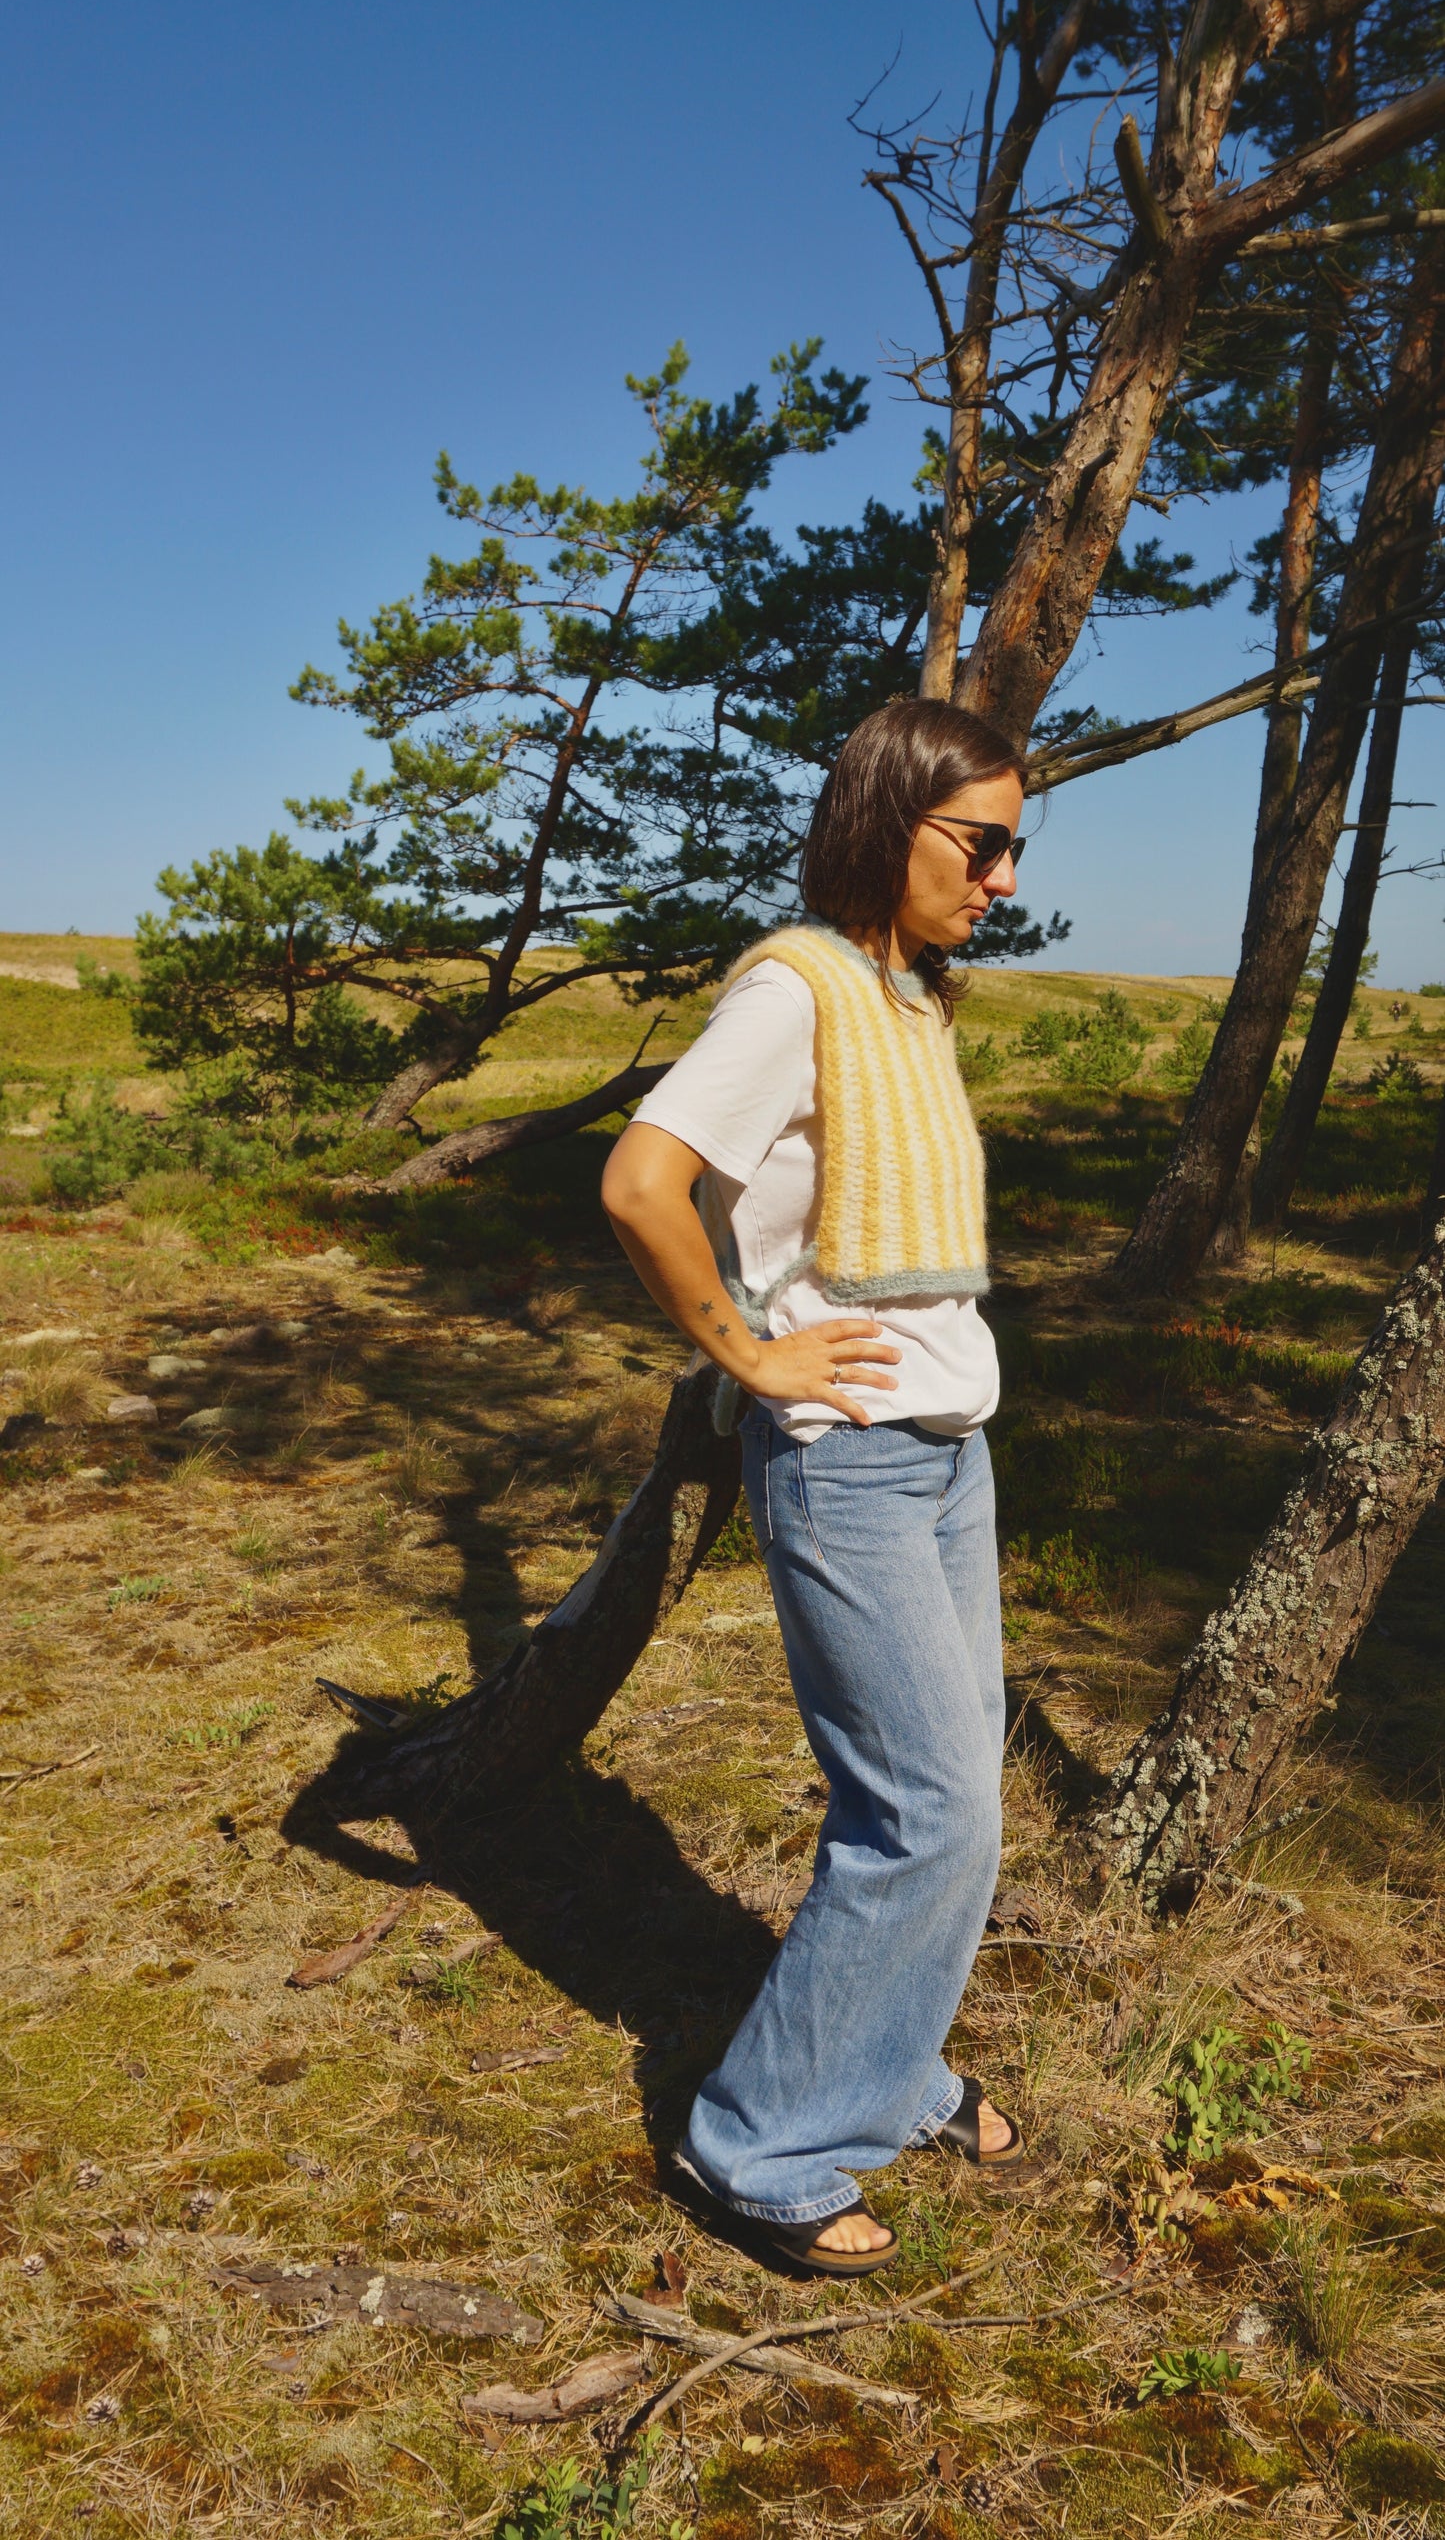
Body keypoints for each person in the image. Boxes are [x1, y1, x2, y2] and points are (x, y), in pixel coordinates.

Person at [601, 697, 1027, 2277]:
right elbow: (641, 1182)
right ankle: (757, 2143)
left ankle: (883, 2069)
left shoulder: (908, 997)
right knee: (927, 1812)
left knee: (948, 1803)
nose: (1000, 877)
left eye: (1012, 850)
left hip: (947, 1453)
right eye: (979, 843)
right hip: (847, 1463)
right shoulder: (795, 987)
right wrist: (745, 1351)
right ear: (888, 820)